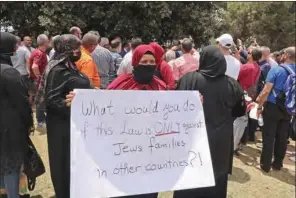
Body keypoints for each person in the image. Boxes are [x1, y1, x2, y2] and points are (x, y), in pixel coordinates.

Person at [174, 45, 245, 198]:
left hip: (192, 141)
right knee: (216, 181)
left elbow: (176, 108)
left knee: (189, 183)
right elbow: (240, 111)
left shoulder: (188, 79)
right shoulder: (232, 84)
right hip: (219, 143)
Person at [42, 34, 92, 198]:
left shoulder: (70, 67)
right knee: (64, 163)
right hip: (63, 127)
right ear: (66, 49)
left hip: (75, 125)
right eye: (76, 48)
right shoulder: (58, 70)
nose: (78, 51)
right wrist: (71, 104)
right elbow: (52, 99)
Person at [0, 32, 34, 198]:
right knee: (12, 164)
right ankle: (12, 194)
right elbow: (22, 103)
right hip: (10, 127)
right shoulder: (9, 73)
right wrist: (29, 123)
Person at [256, 46, 295, 172]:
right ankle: (278, 164)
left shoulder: (276, 69)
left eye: (283, 53)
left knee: (268, 136)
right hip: (288, 108)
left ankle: (265, 165)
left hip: (273, 106)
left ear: (286, 55)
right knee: (282, 137)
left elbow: (266, 90)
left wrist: (260, 105)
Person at [237, 47, 262, 144]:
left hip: (242, 92)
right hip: (251, 94)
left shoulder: (247, 67)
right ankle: (245, 138)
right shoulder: (257, 67)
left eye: (249, 52)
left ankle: (239, 140)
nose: (247, 54)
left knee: (240, 117)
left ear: (251, 55)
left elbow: (237, 76)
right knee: (245, 116)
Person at [29, 34, 49, 129]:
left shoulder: (36, 51)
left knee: (40, 100)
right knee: (40, 100)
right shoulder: (39, 53)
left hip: (36, 80)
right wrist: (39, 77)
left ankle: (41, 118)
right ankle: (40, 120)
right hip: (38, 81)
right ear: (45, 42)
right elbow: (34, 66)